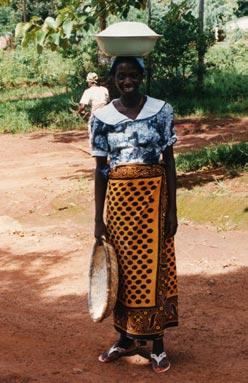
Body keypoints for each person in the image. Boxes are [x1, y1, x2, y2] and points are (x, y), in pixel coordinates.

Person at [90, 56, 178, 374]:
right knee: (122, 273)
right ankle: (125, 339)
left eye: (133, 75)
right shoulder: (102, 117)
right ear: (113, 79)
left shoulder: (161, 110)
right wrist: (98, 218)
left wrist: (173, 210)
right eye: (121, 76)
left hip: (154, 203)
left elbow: (169, 161)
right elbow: (100, 169)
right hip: (119, 205)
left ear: (142, 77)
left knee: (154, 269)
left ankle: (156, 346)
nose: (127, 81)